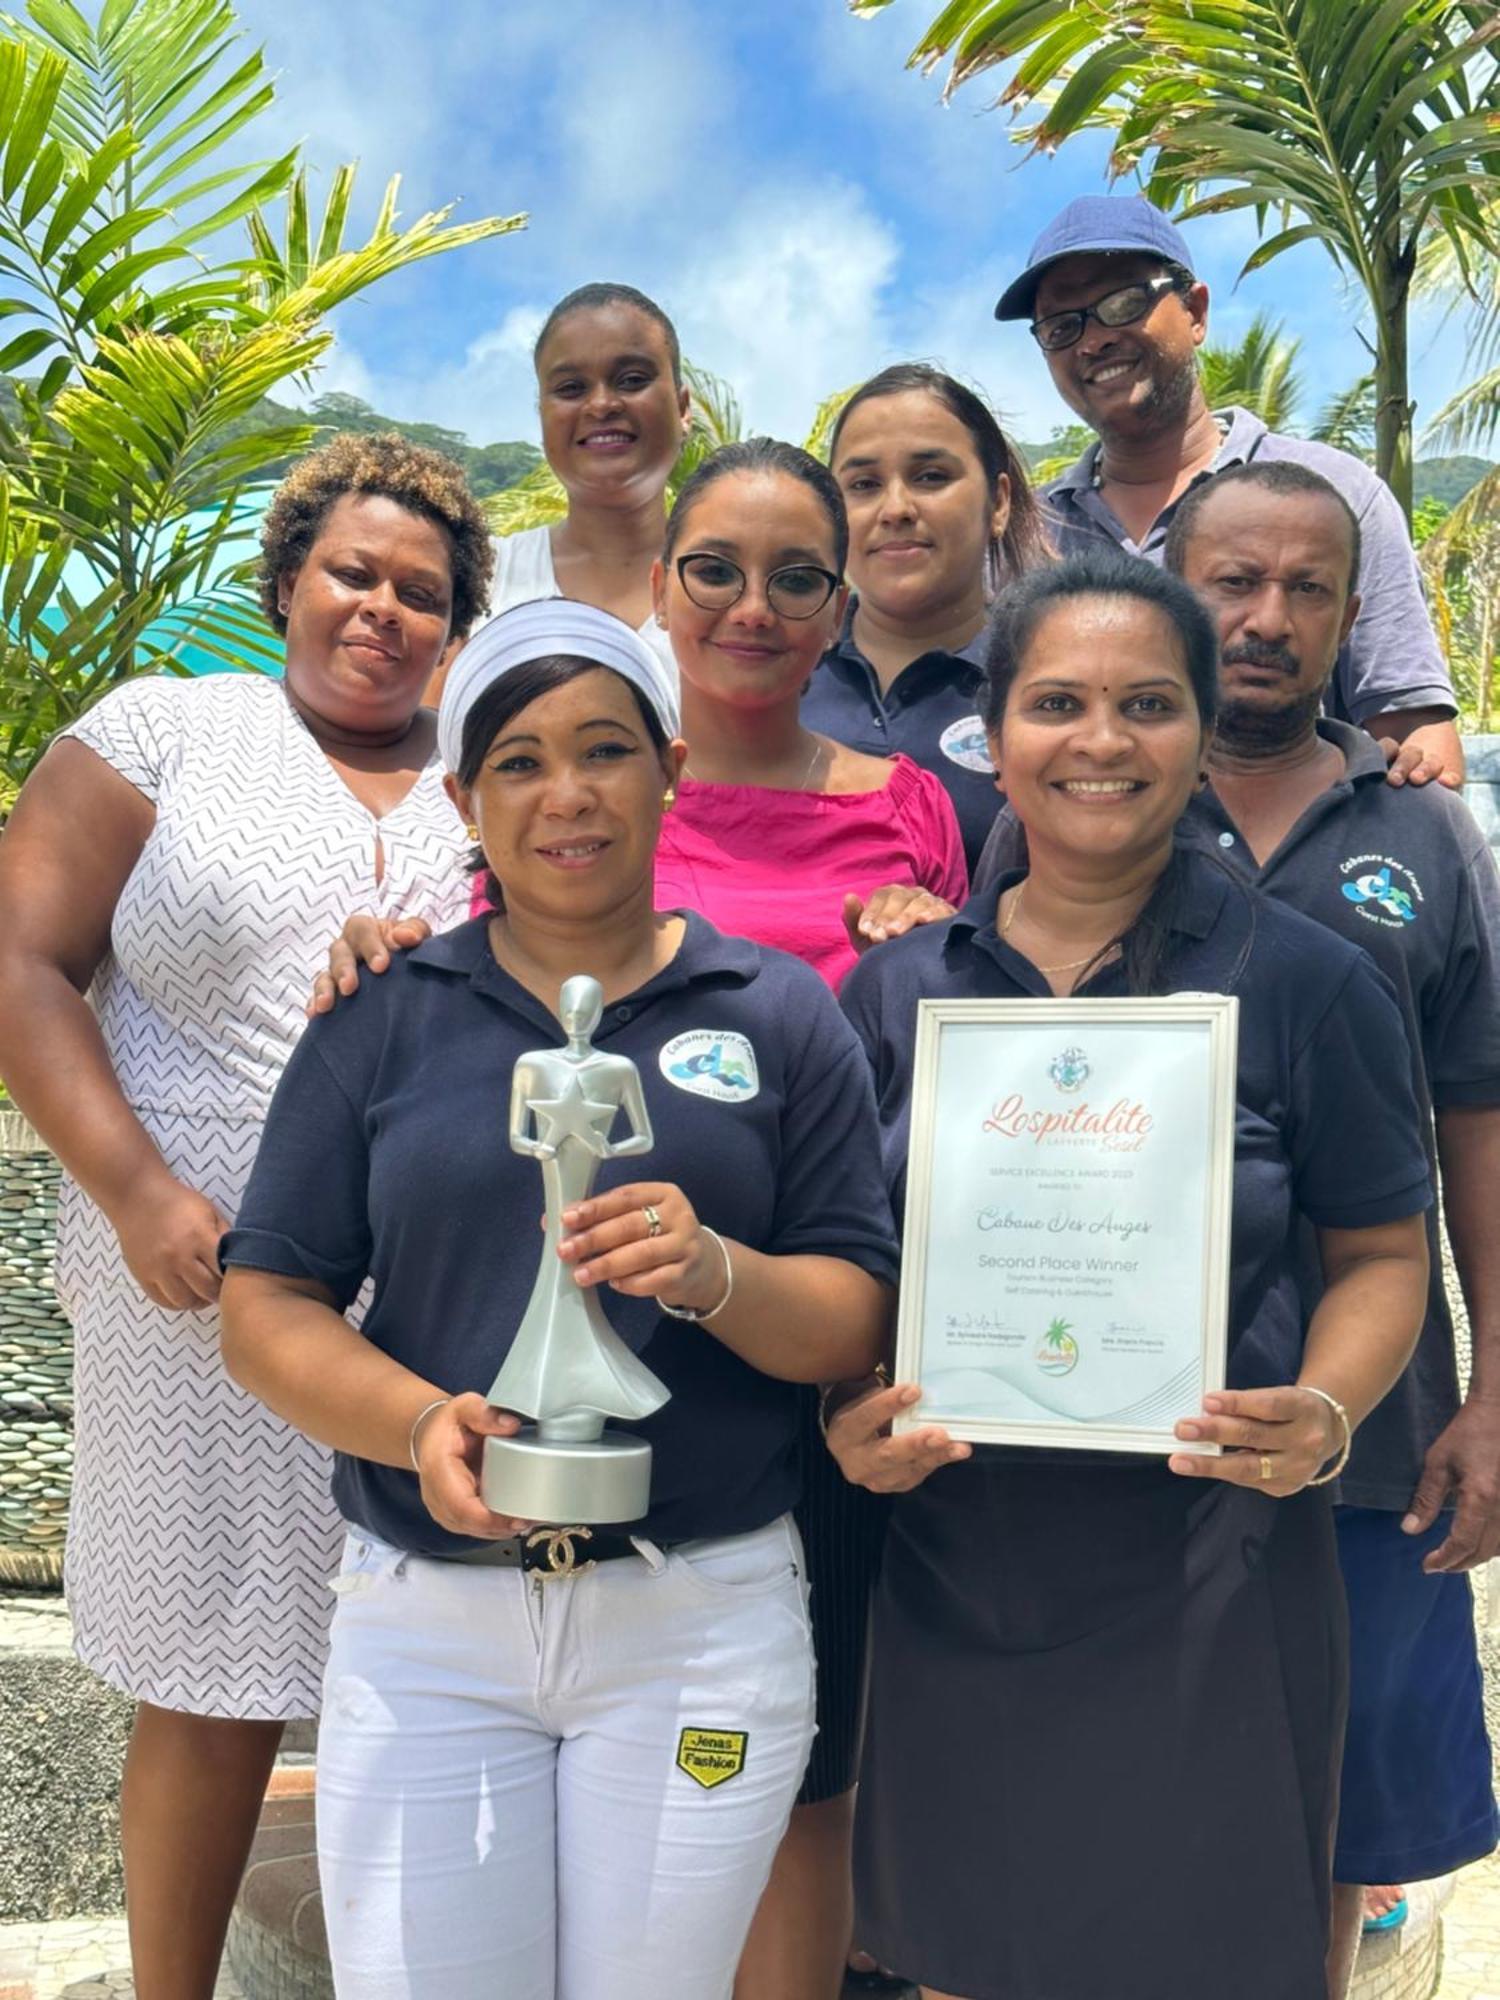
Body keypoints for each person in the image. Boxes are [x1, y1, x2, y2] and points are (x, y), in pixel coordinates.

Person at [316, 439, 966, 1998]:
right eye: (520, 762)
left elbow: (854, 1305)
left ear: (668, 771)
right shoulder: (393, 1005)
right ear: (464, 797)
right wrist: (418, 1425)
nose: (567, 793)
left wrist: (712, 1267)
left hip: (704, 1588)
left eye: (605, 752)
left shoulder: (781, 1014)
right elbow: (272, 1297)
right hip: (434, 1614)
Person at [827, 551, 1432, 2000]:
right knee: (969, 1945)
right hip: (959, 1552)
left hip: (1213, 1563)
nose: (1102, 742)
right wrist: (850, 1404)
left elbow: (1382, 1254)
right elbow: (841, 1263)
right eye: (1060, 704)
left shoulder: (1304, 979)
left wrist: (1329, 1415)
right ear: (996, 734)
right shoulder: (902, 992)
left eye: (1149, 704)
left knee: (1201, 1951)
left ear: (1201, 725)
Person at [0, 433, 494, 1999]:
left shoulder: (496, 765)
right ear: (288, 577)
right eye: (355, 571)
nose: (382, 610)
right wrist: (137, 1189)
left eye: (424, 592)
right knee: (209, 1676)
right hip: (189, 1279)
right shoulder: (164, 731)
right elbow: (23, 967)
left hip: (430, 1284)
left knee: (423, 1664)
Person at [1149, 461, 1500, 1993]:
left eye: (1306, 588)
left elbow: (1479, 1123)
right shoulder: (1084, 798)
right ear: (1177, 587)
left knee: (1343, 1803)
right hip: (1118, 1410)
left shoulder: (1426, 839)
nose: (1266, 617)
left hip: (1374, 1419)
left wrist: (1497, 1396)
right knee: (1138, 1786)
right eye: (1234, 580)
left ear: (1354, 618)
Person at [993, 193, 1464, 788]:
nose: (1092, 341)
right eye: (1062, 327)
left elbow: (1419, 743)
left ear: (1195, 312)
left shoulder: (1336, 495)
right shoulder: (1029, 532)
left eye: (1123, 301)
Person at [803, 363, 1052, 871]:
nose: (895, 508)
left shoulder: (1052, 685)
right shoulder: (780, 671)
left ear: (999, 502)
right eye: (865, 484)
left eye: (931, 477)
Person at [478, 280, 687, 670]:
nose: (602, 404)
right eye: (571, 388)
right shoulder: (485, 579)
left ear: (683, 407)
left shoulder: (734, 585)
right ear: (541, 413)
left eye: (632, 379)